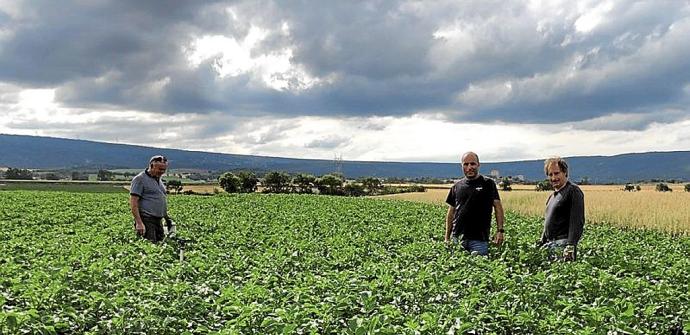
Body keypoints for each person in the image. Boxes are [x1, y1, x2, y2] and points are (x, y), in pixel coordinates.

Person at [445, 152, 505, 256]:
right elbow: (451, 213)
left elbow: (498, 207)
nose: (469, 167)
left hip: (479, 240)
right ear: (462, 166)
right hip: (458, 238)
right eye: (466, 164)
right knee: (456, 270)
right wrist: (447, 238)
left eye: (472, 164)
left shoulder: (488, 184)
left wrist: (500, 231)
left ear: (478, 165)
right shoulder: (456, 186)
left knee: (479, 270)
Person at [537, 157, 584, 261]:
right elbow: (548, 223)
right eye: (550, 174)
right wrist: (542, 241)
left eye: (556, 173)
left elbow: (577, 220)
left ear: (565, 173)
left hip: (563, 244)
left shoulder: (573, 191)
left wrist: (571, 245)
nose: (554, 178)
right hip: (550, 245)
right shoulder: (552, 196)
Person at [130, 155, 175, 242]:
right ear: (151, 166)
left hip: (158, 220)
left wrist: (166, 218)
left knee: (161, 245)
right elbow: (133, 203)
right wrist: (139, 223)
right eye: (160, 169)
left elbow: (160, 200)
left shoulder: (159, 180)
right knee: (150, 247)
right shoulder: (140, 179)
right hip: (146, 220)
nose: (162, 172)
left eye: (164, 170)